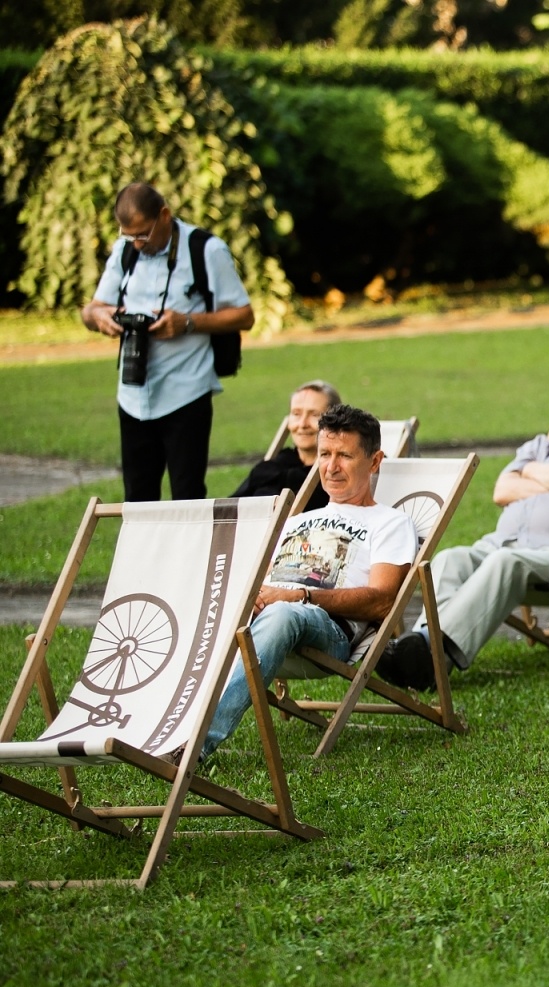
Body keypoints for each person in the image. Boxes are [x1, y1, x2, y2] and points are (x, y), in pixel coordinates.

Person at [376, 369, 549, 688]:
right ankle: (425, 651)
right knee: (451, 559)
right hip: (502, 543)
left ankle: (425, 656)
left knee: (506, 563)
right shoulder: (539, 447)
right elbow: (502, 491)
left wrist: (535, 475)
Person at [199, 405, 414, 760]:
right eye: (324, 454)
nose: (330, 467)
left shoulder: (390, 523)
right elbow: (261, 579)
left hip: (325, 632)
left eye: (344, 456)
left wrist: (301, 595)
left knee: (285, 613)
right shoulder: (298, 520)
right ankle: (150, 728)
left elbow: (382, 601)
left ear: (375, 461)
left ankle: (194, 746)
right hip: (262, 623)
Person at [80, 182, 255, 502]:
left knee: (187, 498)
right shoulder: (125, 251)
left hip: (186, 392)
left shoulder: (206, 250)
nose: (137, 243)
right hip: (133, 393)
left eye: (143, 234)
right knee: (137, 497)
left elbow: (244, 315)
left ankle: (189, 554)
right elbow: (91, 309)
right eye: (129, 235)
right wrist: (99, 319)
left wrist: (187, 323)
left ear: (164, 215)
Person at [229, 380, 339, 511]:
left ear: (335, 422)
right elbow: (230, 512)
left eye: (314, 415)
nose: (302, 424)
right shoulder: (271, 468)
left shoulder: (337, 475)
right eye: (296, 414)